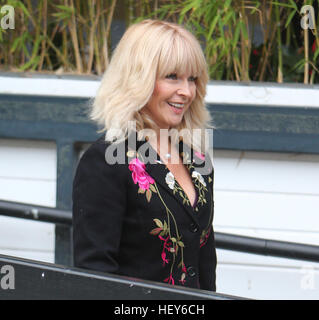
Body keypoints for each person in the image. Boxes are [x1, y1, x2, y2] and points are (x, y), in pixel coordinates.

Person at [72, 19, 217, 291]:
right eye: (172, 76)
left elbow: (206, 267)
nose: (186, 91)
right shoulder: (106, 160)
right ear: (138, 79)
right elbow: (94, 276)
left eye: (192, 79)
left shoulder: (197, 161)